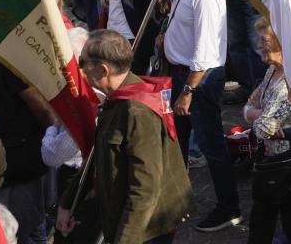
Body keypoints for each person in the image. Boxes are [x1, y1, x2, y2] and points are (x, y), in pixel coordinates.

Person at [55, 31, 194, 244]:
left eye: (82, 62)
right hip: (125, 219)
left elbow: (145, 189)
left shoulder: (137, 112)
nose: (80, 69)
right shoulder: (117, 100)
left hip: (146, 230)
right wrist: (67, 204)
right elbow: (96, 158)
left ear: (103, 70)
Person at [162, 0, 241, 232]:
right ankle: (176, 202)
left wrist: (188, 90)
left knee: (211, 145)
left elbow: (206, 47)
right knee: (177, 144)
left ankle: (229, 207)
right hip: (181, 75)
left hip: (198, 79)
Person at [243, 19, 291, 243]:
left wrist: (254, 113)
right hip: (273, 164)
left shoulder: (287, 84)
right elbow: (256, 114)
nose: (258, 45)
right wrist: (253, 112)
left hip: (287, 165)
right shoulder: (271, 73)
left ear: (280, 42)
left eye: (264, 40)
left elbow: (262, 129)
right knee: (268, 225)